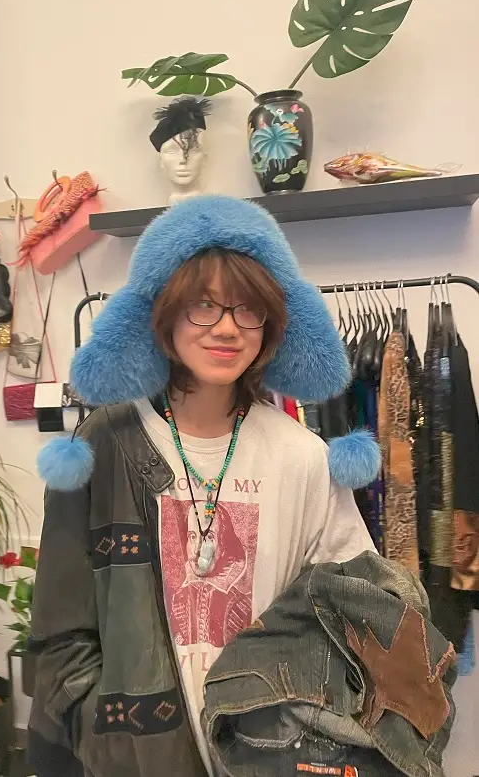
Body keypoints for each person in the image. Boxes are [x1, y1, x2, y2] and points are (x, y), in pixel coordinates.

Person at [28, 195, 380, 777]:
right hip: (135, 755)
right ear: (163, 315)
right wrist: (100, 729)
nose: (226, 329)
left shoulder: (303, 456)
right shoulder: (102, 446)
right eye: (203, 306)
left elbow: (352, 611)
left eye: (248, 309)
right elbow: (61, 625)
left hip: (268, 750)